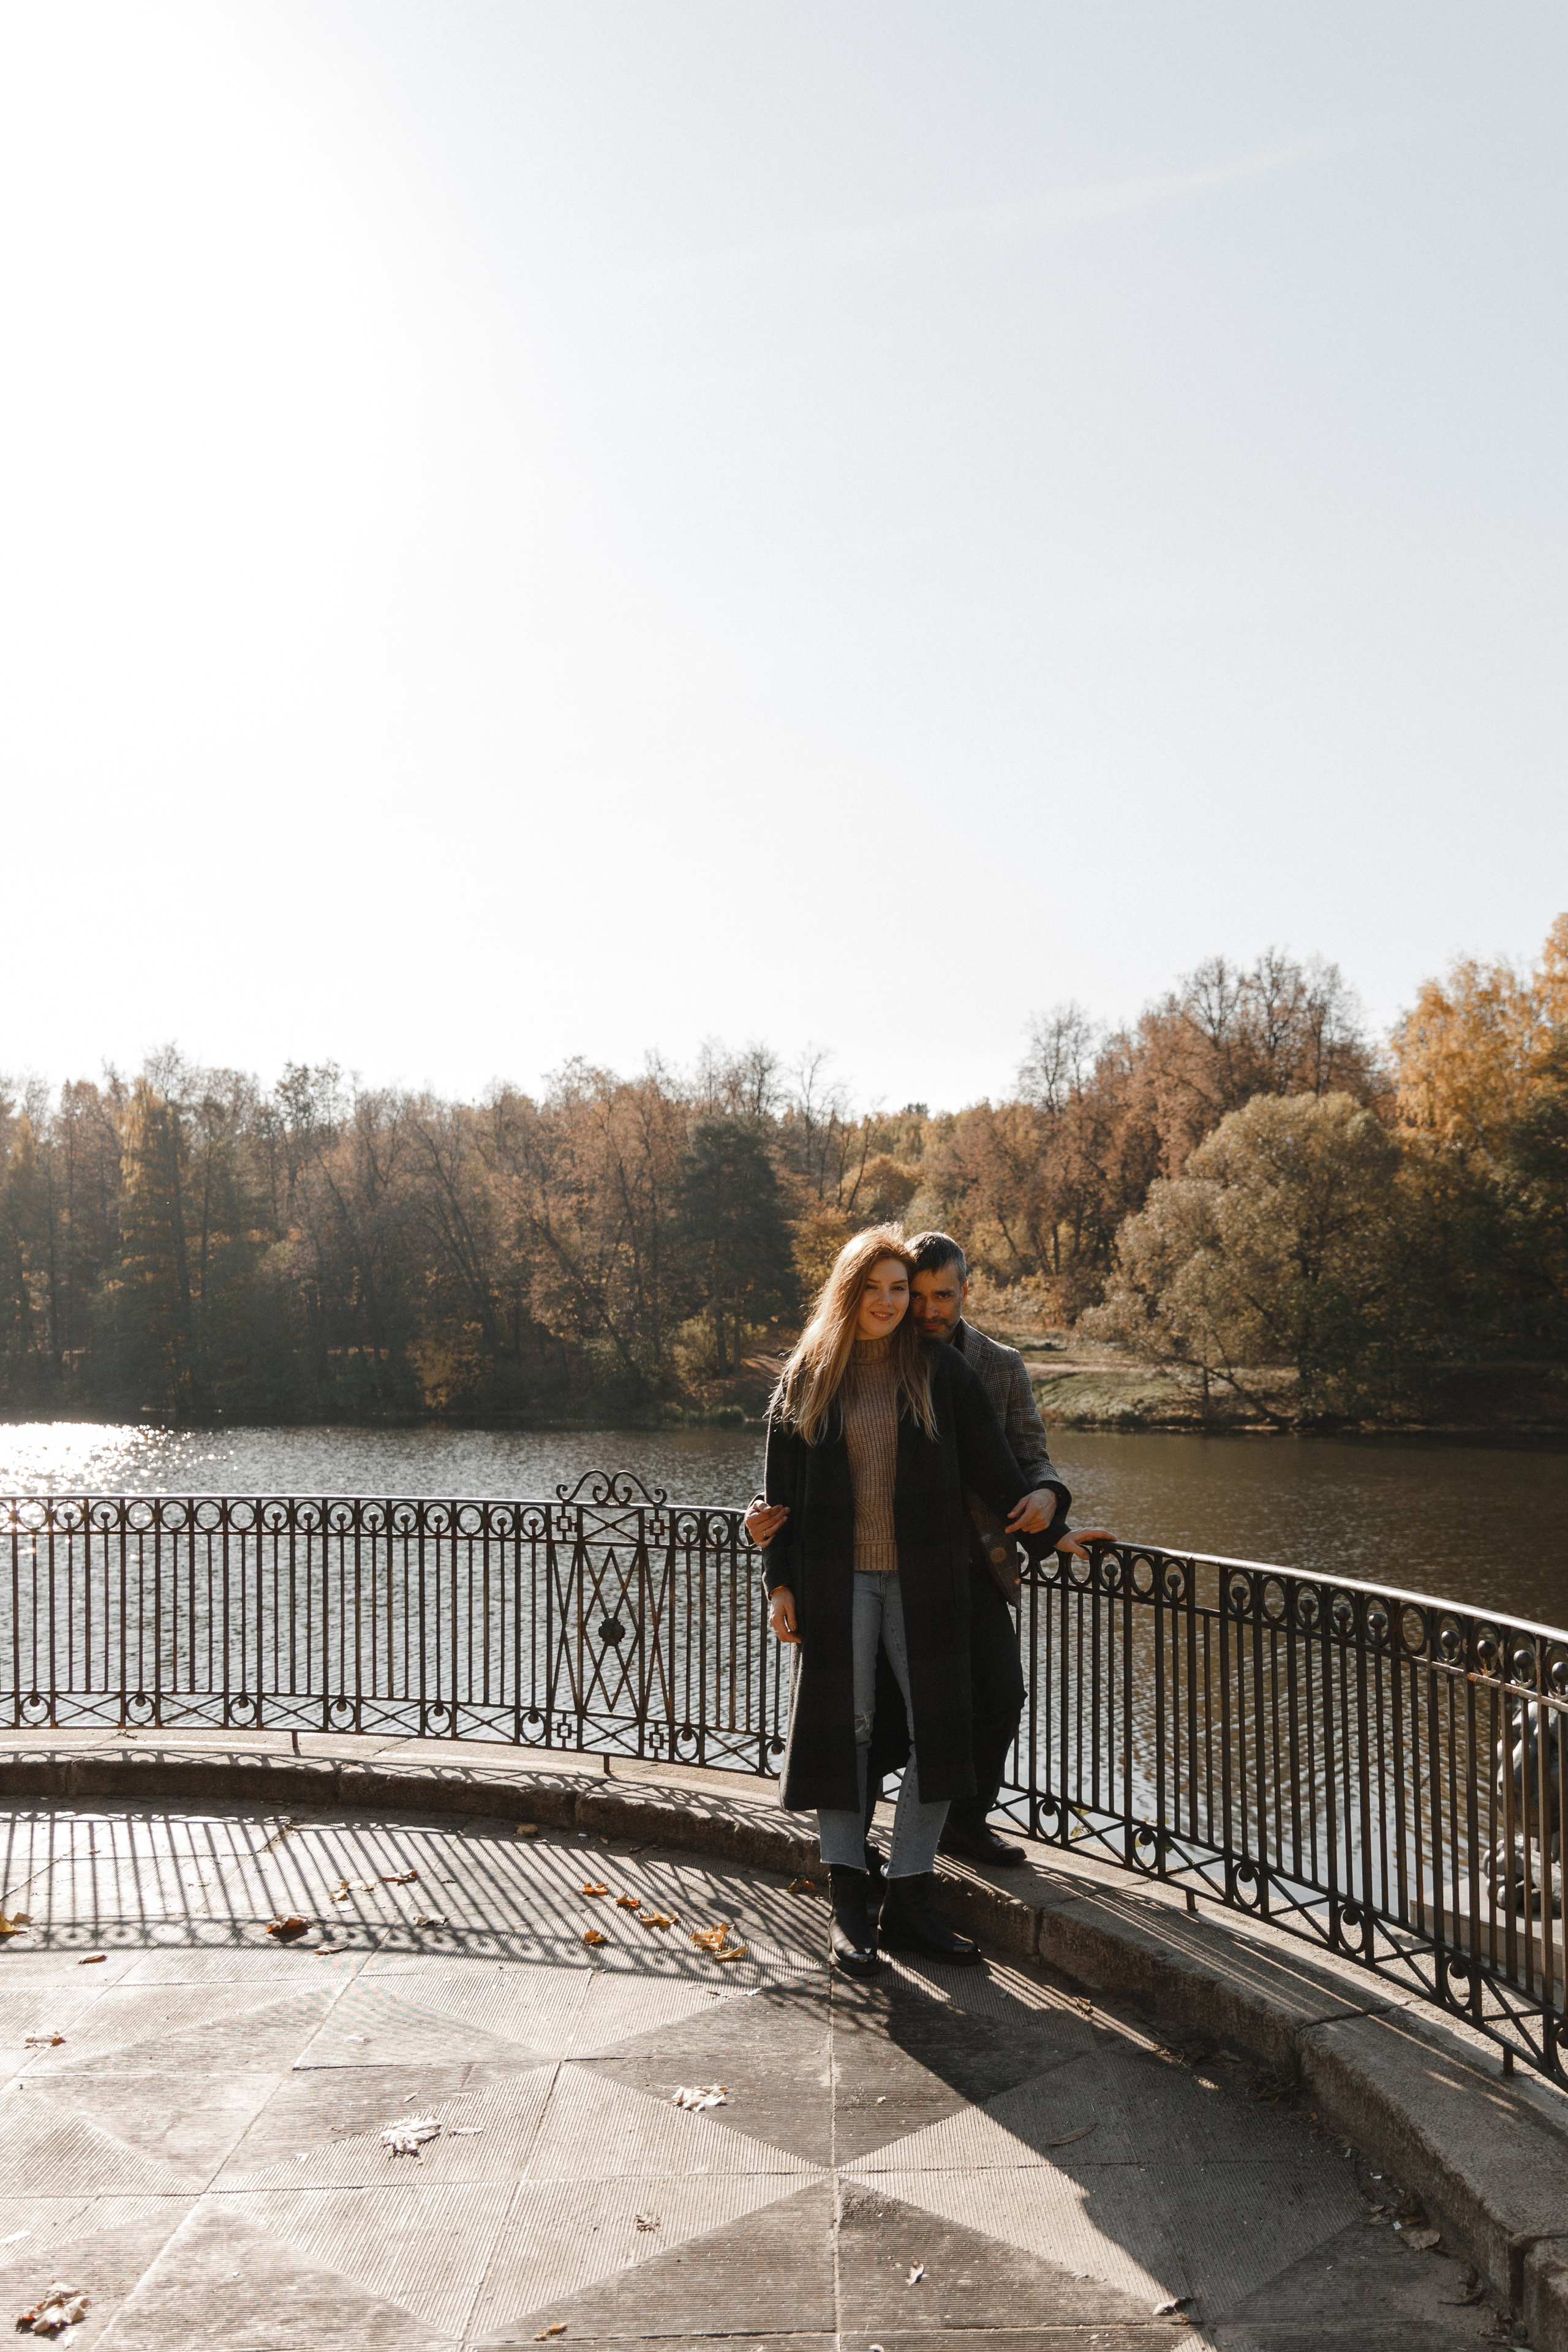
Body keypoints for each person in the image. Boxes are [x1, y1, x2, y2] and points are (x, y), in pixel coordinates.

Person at [758, 1224, 1052, 1980]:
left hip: (925, 1582)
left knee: (937, 1733)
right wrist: (779, 1582)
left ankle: (911, 1897)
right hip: (836, 1582)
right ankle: (849, 1900)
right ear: (849, 1292)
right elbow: (779, 1500)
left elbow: (995, 1467)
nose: (891, 1303)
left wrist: (1054, 1519)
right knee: (845, 1736)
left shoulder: (939, 1371)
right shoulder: (808, 1377)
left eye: (901, 1289)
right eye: (877, 1288)